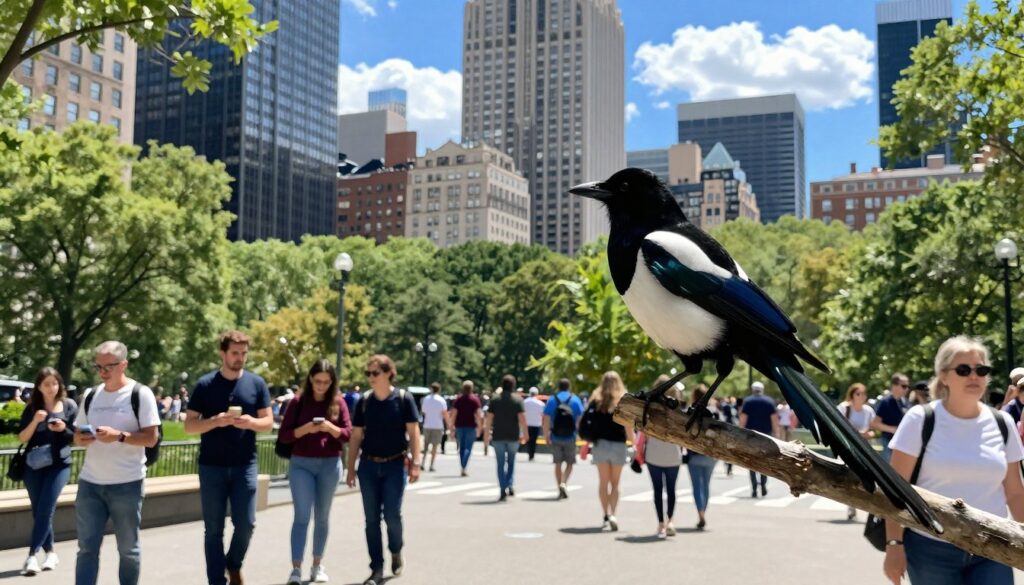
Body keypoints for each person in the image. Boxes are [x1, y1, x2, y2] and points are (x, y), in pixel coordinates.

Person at [883, 336, 1024, 585]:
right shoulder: (920, 419)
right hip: (930, 547)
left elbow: (1014, 492)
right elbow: (896, 490)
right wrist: (894, 544)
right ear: (943, 376)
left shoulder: (1004, 423)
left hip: (993, 547)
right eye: (963, 369)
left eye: (981, 370)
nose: (974, 376)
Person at [184, 331, 273, 585]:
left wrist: (250, 422)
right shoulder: (205, 385)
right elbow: (190, 426)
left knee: (246, 523)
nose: (240, 358)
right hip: (211, 466)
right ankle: (216, 580)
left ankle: (233, 564)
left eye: (244, 353)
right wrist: (216, 421)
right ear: (222, 353)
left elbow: (267, 423)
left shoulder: (256, 384)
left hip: (244, 464)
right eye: (235, 353)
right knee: (213, 529)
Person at [73, 341, 161, 585]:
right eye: (98, 366)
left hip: (127, 484)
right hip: (90, 483)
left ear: (123, 365)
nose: (102, 372)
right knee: (86, 550)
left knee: (128, 550)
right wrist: (82, 438)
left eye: (108, 366)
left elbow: (151, 439)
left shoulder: (140, 394)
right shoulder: (91, 395)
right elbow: (78, 436)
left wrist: (119, 436)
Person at [345, 355, 421, 585]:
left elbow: (414, 432)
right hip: (368, 465)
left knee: (392, 515)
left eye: (375, 373)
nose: (370, 377)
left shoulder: (403, 399)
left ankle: (396, 549)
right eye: (368, 373)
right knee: (371, 520)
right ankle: (376, 568)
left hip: (395, 464)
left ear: (389, 373)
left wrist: (416, 463)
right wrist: (350, 468)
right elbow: (356, 435)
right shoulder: (364, 401)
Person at [278, 360, 352, 585]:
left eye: (326, 382)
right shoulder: (297, 403)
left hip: (330, 464)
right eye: (318, 381)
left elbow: (348, 434)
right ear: (310, 379)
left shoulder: (338, 403)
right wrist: (305, 429)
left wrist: (331, 428)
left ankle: (317, 565)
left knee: (322, 517)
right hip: (301, 464)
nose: (321, 386)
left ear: (332, 382)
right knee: (301, 516)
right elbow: (285, 435)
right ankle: (296, 569)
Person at [17, 367, 77, 576]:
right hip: (34, 465)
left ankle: (32, 556)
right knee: (38, 510)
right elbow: (22, 438)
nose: (51, 388)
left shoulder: (69, 406)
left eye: (54, 383)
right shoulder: (32, 407)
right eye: (46, 384)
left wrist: (63, 429)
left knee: (46, 508)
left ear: (60, 384)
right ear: (39, 387)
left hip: (59, 464)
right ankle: (51, 552)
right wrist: (35, 420)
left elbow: (77, 436)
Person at [581, 372, 632, 530]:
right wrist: (633, 442)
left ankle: (605, 515)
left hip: (600, 445)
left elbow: (587, 422)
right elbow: (628, 425)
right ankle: (613, 514)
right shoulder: (622, 401)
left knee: (603, 482)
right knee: (615, 483)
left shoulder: (596, 401)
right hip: (618, 445)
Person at [644, 377, 683, 538]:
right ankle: (671, 521)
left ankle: (660, 523)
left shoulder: (650, 407)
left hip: (654, 450)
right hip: (673, 451)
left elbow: (644, 430)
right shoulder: (676, 408)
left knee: (658, 490)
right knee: (672, 489)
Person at [485, 375, 527, 501]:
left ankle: (503, 487)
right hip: (513, 435)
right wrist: (525, 433)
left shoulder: (495, 400)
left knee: (500, 463)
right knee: (511, 461)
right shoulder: (517, 400)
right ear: (513, 385)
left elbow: (489, 419)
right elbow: (522, 419)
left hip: (498, 435)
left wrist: (486, 434)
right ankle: (509, 483)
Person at [838, 382, 876, 521]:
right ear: (852, 394)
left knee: (863, 477)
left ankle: (859, 504)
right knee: (850, 476)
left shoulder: (869, 411)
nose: (861, 396)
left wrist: (869, 434)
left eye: (863, 394)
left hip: (864, 449)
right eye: (858, 393)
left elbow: (873, 430)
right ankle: (851, 506)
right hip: (848, 448)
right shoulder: (844, 408)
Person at [542, 378, 584, 500]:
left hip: (555, 435)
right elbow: (580, 417)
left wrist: (546, 435)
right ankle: (564, 482)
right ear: (568, 386)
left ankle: (559, 485)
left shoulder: (552, 400)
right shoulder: (575, 399)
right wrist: (578, 432)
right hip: (570, 436)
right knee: (570, 463)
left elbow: (546, 418)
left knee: (558, 463)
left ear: (558, 387)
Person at [686, 384, 719, 531]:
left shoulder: (690, 412)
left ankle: (700, 514)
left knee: (697, 487)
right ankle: (703, 512)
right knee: (706, 485)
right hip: (710, 455)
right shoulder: (714, 412)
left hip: (694, 454)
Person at [738, 381, 778, 498]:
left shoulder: (748, 402)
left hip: (751, 436)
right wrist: (777, 435)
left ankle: (754, 488)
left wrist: (740, 433)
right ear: (762, 389)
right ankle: (764, 484)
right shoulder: (769, 402)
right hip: (766, 436)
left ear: (752, 389)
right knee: (764, 462)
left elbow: (743, 419)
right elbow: (774, 420)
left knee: (751, 463)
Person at [871, 373, 911, 461]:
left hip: (903, 444)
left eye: (908, 386)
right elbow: (875, 424)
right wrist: (893, 429)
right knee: (890, 471)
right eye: (904, 386)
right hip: (888, 442)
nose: (907, 389)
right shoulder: (886, 402)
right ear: (894, 386)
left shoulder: (905, 402)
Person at [448, 381, 482, 477]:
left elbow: (454, 414)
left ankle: (462, 465)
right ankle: (464, 465)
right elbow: (478, 415)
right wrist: (480, 427)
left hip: (459, 426)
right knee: (468, 447)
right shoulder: (475, 400)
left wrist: (451, 427)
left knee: (461, 447)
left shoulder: (458, 399)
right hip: (471, 426)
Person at [419, 382, 447, 472]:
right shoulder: (441, 400)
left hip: (427, 425)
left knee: (426, 446)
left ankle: (422, 463)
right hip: (438, 425)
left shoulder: (426, 399)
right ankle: (431, 465)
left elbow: (423, 412)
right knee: (435, 446)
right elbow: (444, 413)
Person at [523, 387, 545, 461]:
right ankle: (531, 454)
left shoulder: (524, 402)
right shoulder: (540, 403)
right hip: (536, 424)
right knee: (534, 440)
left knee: (528, 440)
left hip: (527, 423)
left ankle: (529, 453)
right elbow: (542, 415)